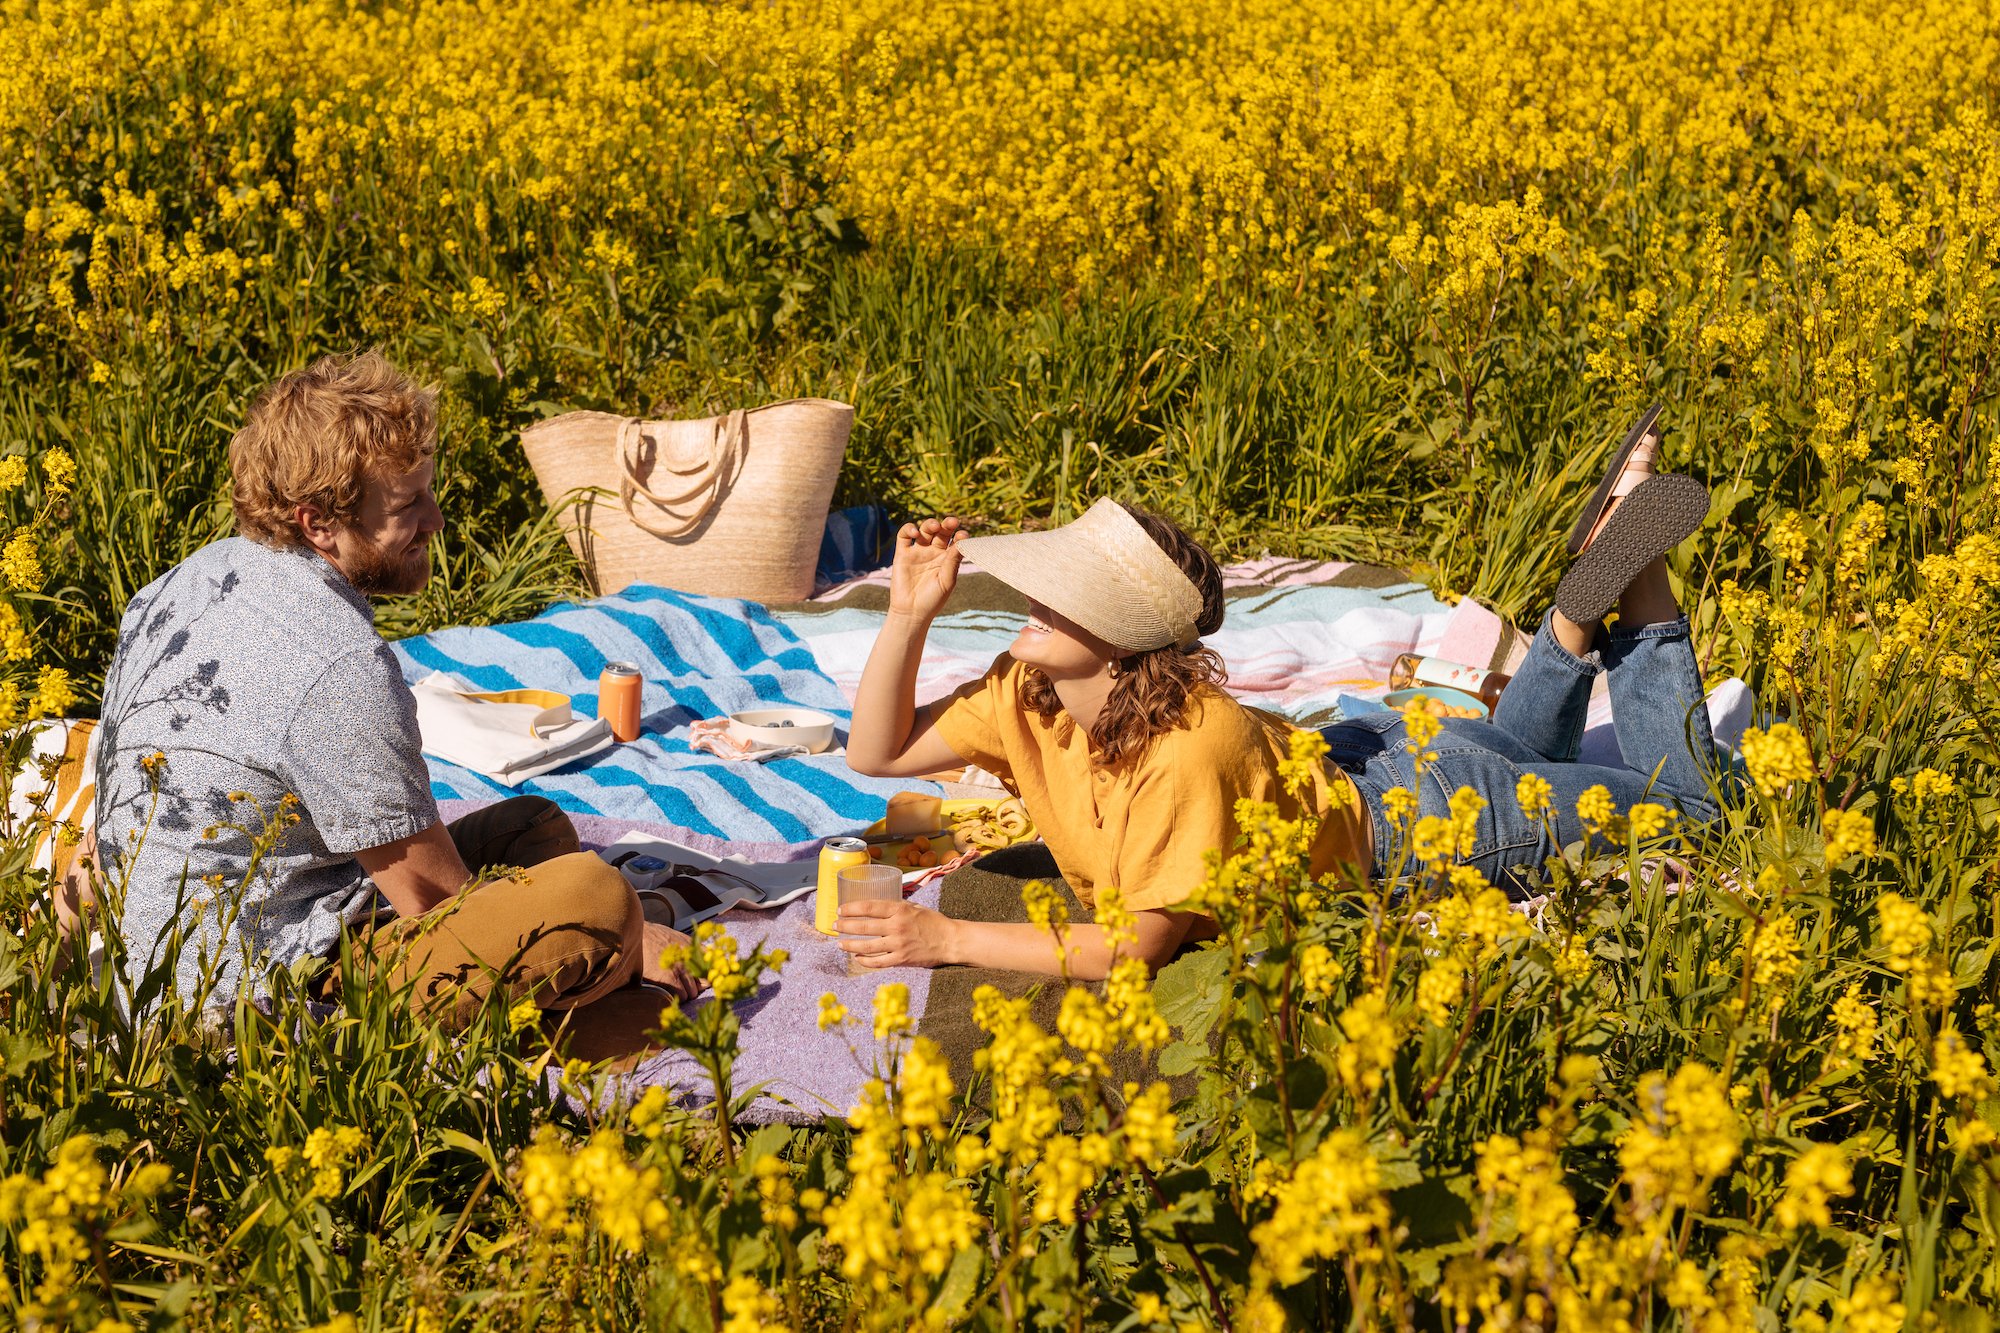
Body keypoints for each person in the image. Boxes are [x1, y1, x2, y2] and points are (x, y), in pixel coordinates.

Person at [839, 410, 1720, 978]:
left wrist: (944, 939)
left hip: (1426, 829)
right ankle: (1571, 619)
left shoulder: (1188, 746)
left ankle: (1636, 578)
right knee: (1533, 763)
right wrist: (908, 611)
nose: (1027, 604)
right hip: (1370, 754)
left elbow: (1136, 946)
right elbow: (876, 753)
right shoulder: (1027, 691)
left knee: (1695, 817)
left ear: (1121, 639)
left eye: (1059, 595)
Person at [84, 350, 687, 1055]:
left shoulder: (185, 580)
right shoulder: (336, 664)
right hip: (260, 1001)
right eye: (408, 506)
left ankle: (589, 994)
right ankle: (582, 1020)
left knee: (534, 828)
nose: (436, 519)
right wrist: (631, 935)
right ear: (318, 522)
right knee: (598, 899)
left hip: (190, 945)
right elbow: (440, 907)